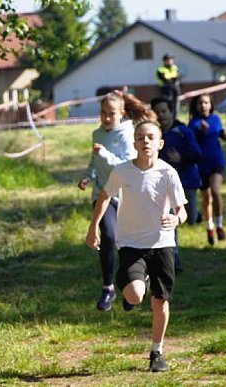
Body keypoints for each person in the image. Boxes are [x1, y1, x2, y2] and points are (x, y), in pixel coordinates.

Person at [85, 114, 187, 373]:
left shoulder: (168, 173)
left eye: (151, 137)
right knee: (134, 295)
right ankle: (136, 285)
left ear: (160, 143)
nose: (146, 142)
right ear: (134, 143)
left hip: (162, 244)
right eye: (140, 138)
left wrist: (176, 219)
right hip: (131, 244)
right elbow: (104, 196)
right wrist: (93, 226)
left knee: (160, 303)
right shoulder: (123, 171)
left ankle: (157, 352)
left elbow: (182, 211)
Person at [78, 91, 137, 312]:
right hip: (102, 195)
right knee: (109, 236)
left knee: (127, 242)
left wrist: (105, 155)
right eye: (103, 113)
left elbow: (127, 166)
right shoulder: (97, 134)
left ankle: (131, 286)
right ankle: (108, 287)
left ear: (121, 113)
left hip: (126, 196)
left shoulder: (126, 134)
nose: (107, 118)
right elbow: (95, 162)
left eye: (111, 114)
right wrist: (87, 176)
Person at [151, 96, 202, 274]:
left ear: (172, 112)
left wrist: (182, 159)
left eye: (164, 111)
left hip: (188, 181)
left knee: (191, 219)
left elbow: (197, 154)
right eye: (157, 113)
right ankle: (175, 257)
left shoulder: (183, 132)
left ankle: (196, 213)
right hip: (167, 188)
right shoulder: (155, 137)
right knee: (171, 221)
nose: (161, 116)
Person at [188, 94, 226, 246]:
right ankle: (209, 227)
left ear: (211, 105)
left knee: (216, 192)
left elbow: (220, 131)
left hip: (216, 161)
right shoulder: (194, 123)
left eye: (206, 102)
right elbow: (193, 139)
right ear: (196, 106)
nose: (203, 105)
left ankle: (219, 224)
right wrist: (201, 131)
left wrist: (224, 135)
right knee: (206, 198)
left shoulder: (215, 119)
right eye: (200, 103)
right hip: (200, 165)